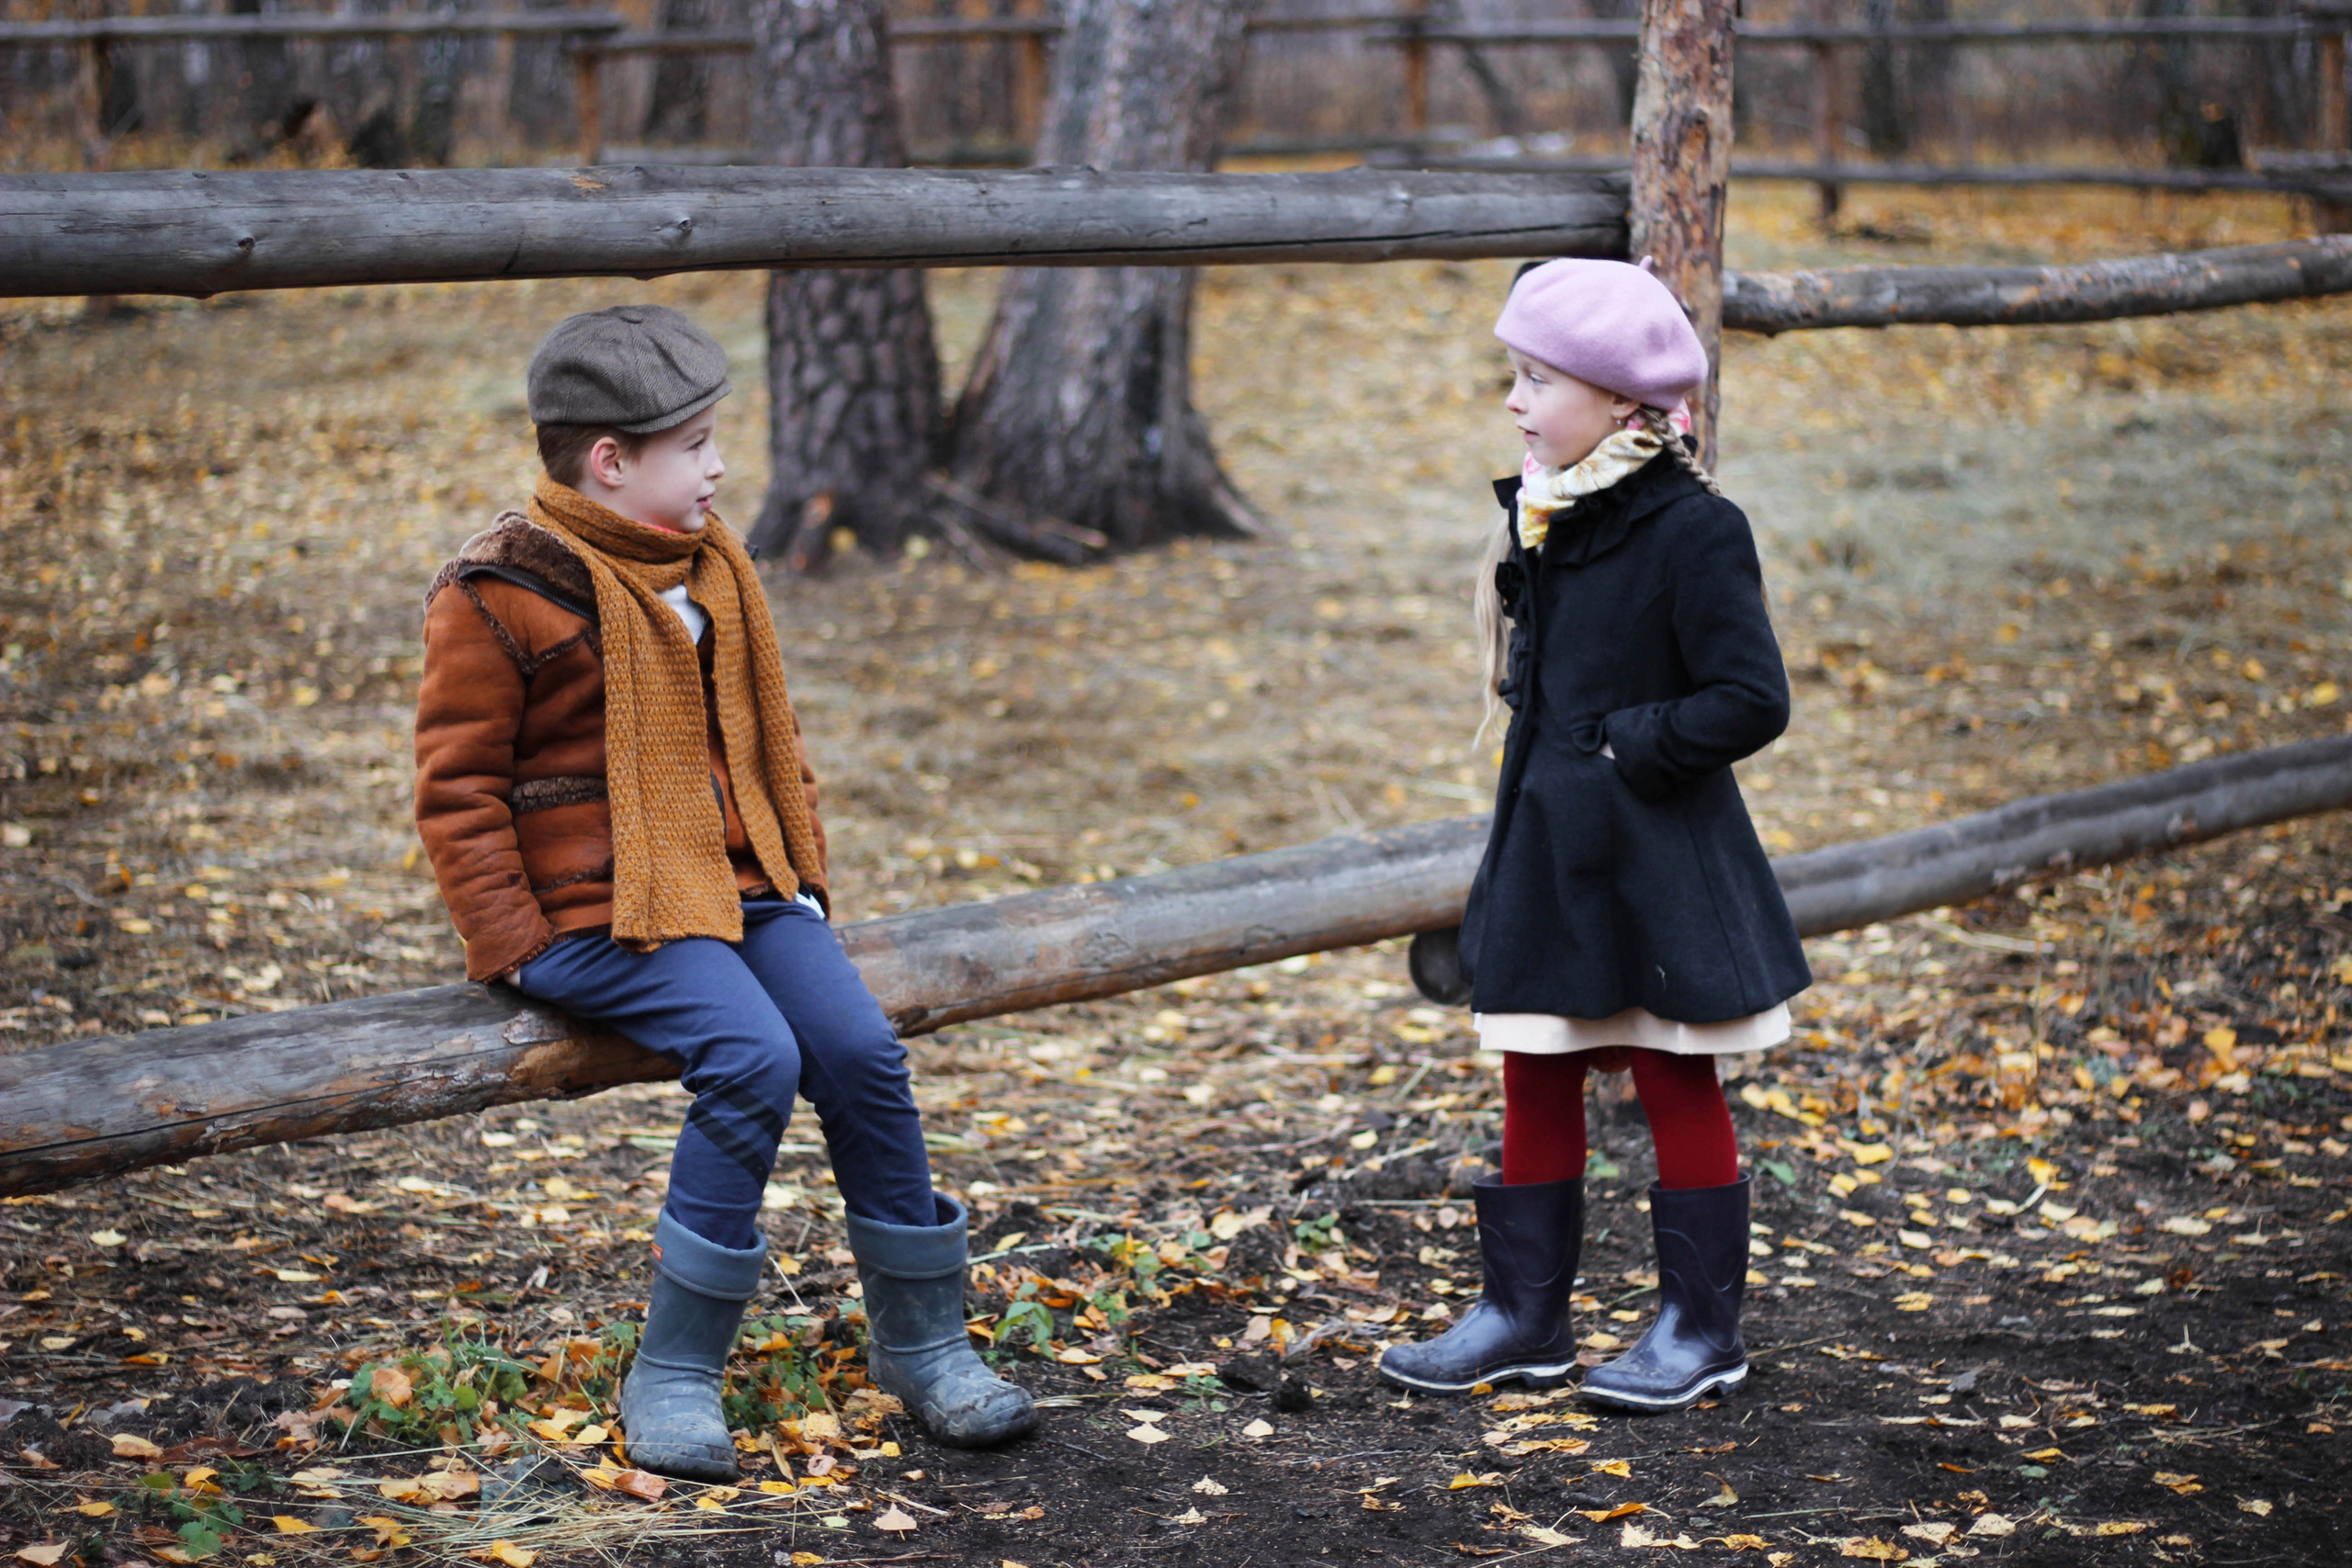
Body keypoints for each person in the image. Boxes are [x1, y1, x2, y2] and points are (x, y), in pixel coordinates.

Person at [413, 305, 1034, 1476]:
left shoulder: (712, 570)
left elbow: (769, 742)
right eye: (695, 446)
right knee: (753, 1058)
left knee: (857, 1050)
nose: (721, 467)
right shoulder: (502, 590)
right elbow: (456, 788)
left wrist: (800, 882)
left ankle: (926, 1346)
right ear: (612, 462)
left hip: (739, 889)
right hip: (596, 915)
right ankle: (678, 1372)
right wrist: (514, 943)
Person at [1377, 261, 1811, 1414]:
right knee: (1535, 1059)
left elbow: (1750, 698)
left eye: (1537, 379)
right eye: (1512, 376)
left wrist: (1628, 743)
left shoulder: (1693, 528)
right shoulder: (1547, 504)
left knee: (1675, 1070)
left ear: (1623, 405)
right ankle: (1522, 1317)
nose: (1515, 401)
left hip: (1657, 855)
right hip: (1549, 851)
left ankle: (1698, 1328)